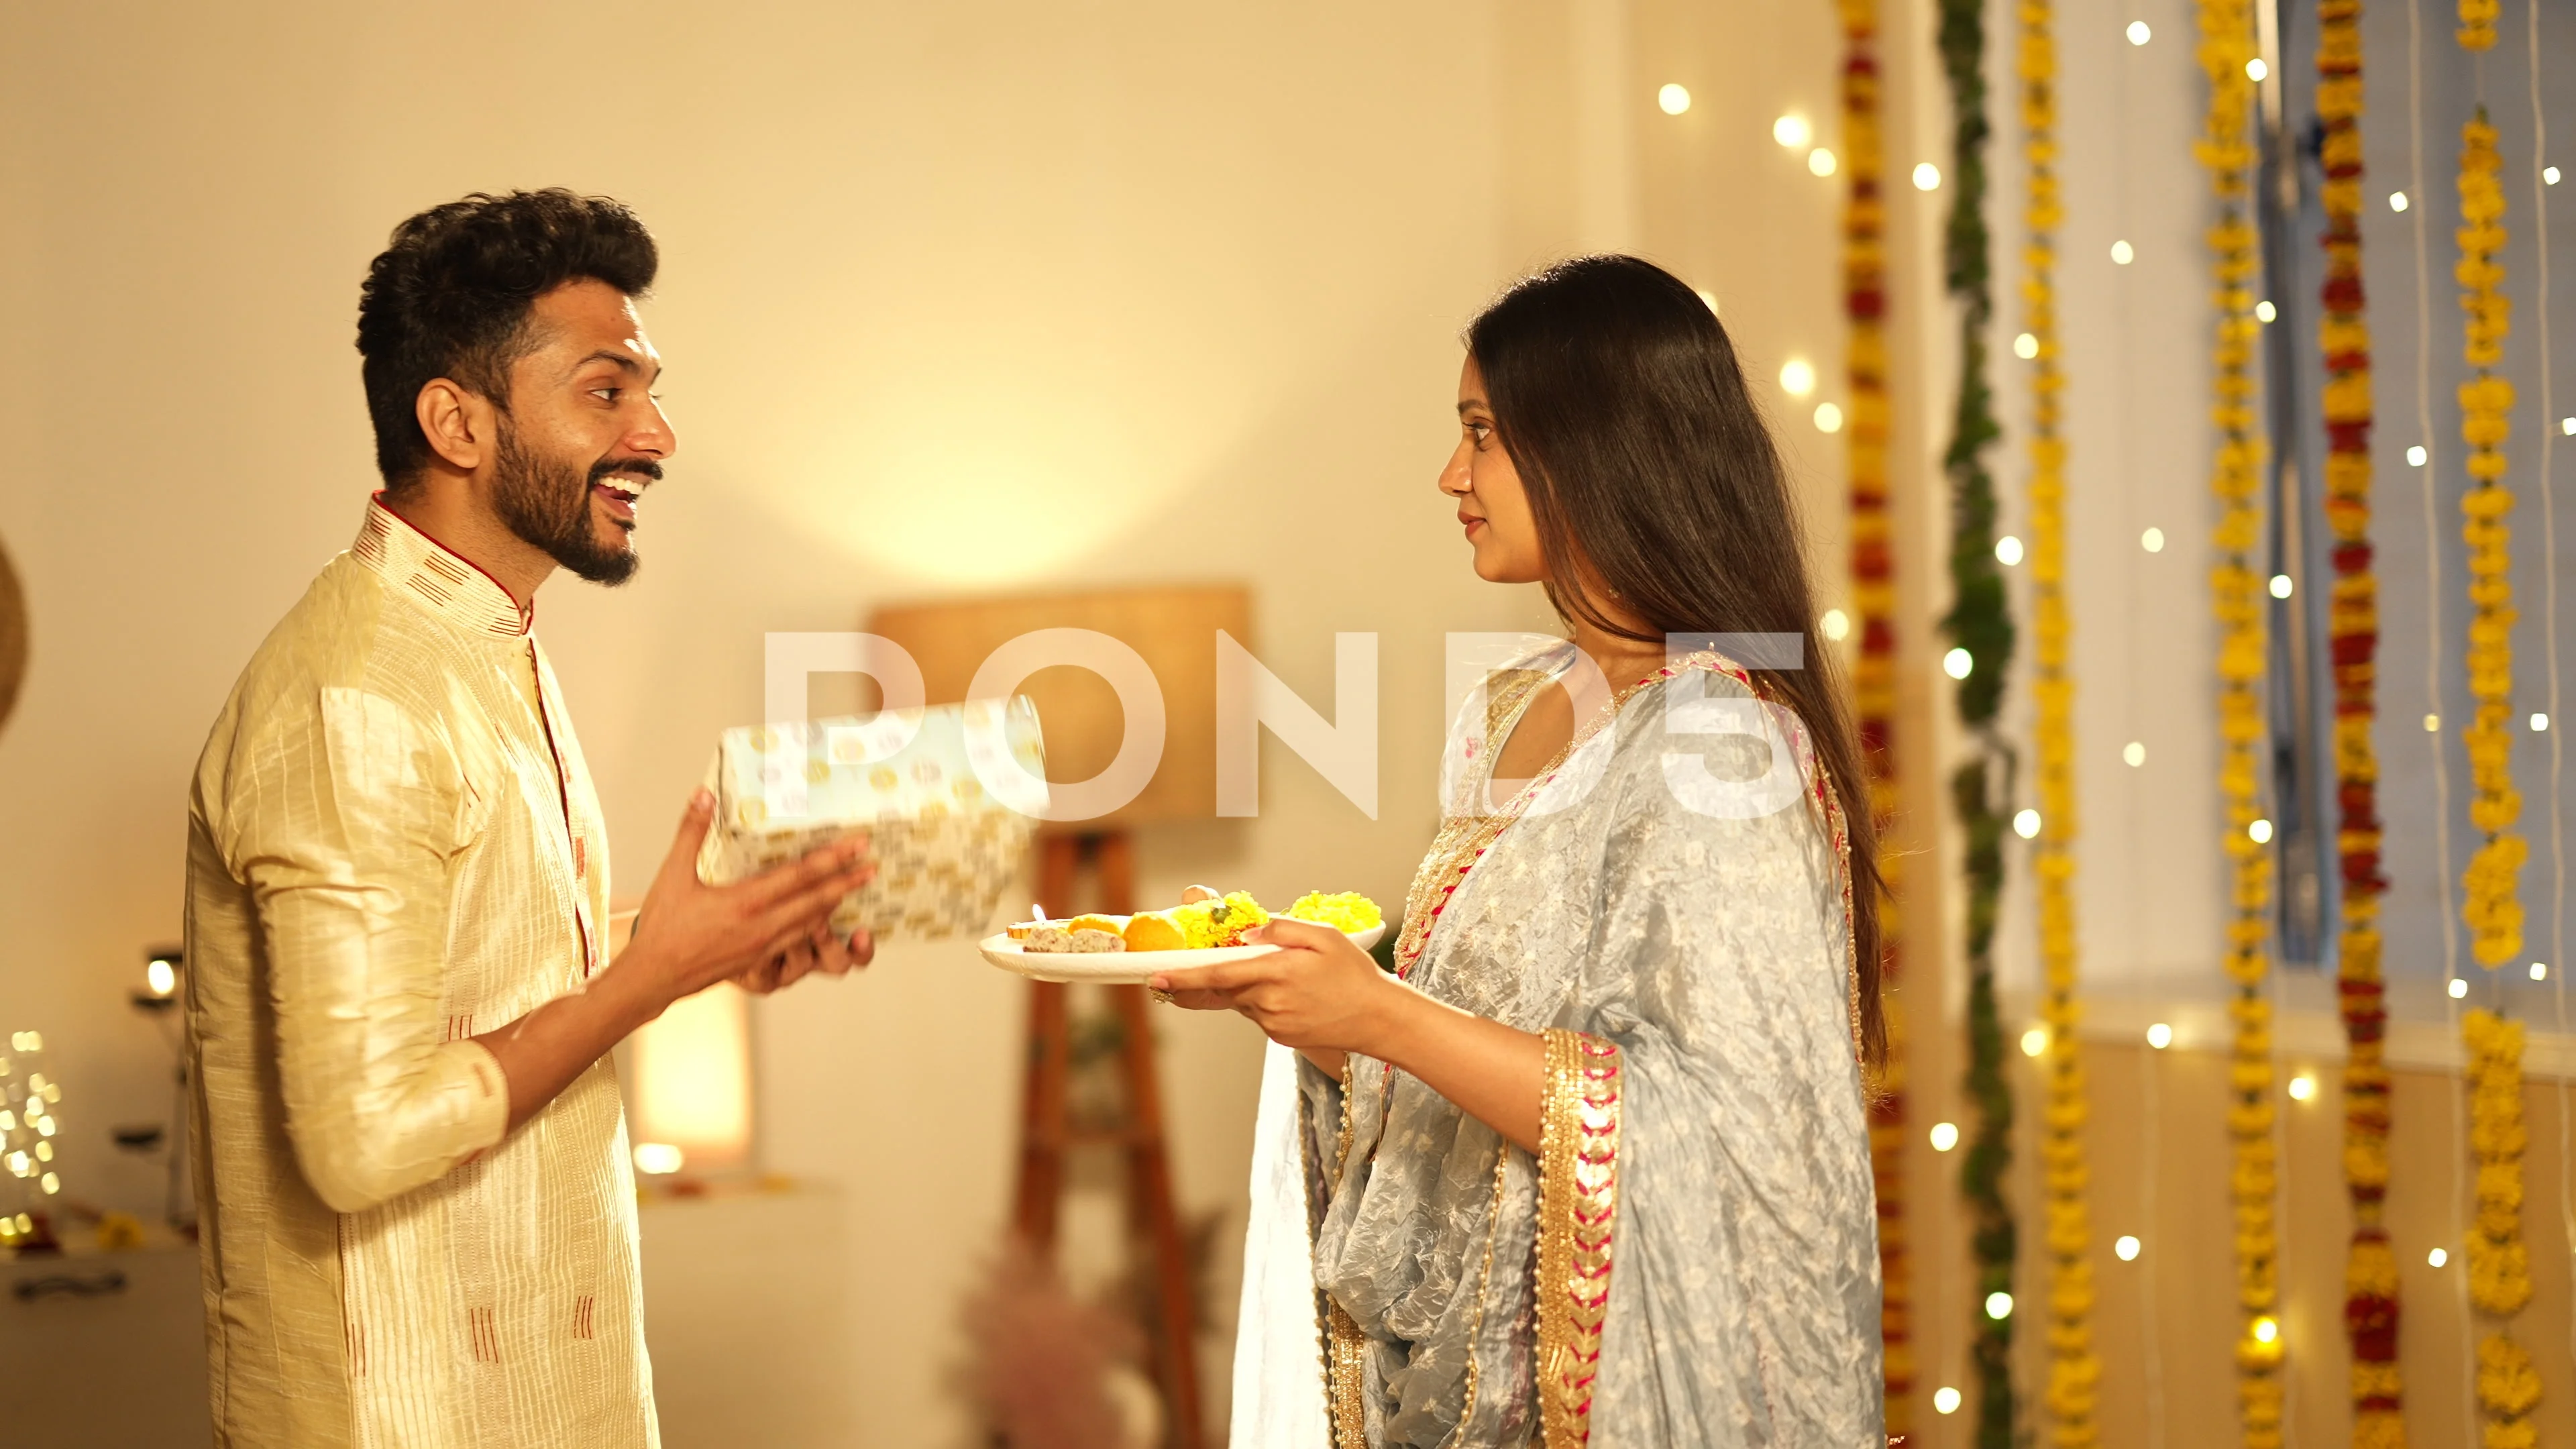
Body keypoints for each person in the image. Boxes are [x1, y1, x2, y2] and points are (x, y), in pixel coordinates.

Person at [184, 189, 873, 1448]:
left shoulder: (480, 639)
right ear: (454, 420)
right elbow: (362, 1137)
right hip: (402, 1413)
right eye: (606, 391)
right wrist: (652, 978)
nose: (657, 433)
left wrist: (711, 944)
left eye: (648, 390)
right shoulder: (353, 696)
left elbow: (472, 967)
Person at [1163, 256, 1887, 1445]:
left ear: (1593, 449)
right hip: (1462, 1397)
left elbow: (1725, 1138)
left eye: (1482, 434)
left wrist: (1380, 1017)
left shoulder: (1723, 745)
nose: (1452, 475)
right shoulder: (1508, 710)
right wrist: (1319, 1008)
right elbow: (1489, 1066)